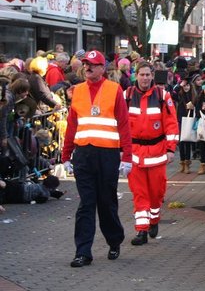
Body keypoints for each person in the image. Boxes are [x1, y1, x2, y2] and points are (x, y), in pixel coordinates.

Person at [61, 50, 132, 267]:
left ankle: (114, 240)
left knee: (106, 202)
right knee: (86, 204)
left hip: (107, 155)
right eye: (85, 64)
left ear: (102, 68)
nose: (87, 67)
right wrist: (66, 155)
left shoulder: (114, 89)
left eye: (92, 64)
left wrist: (127, 156)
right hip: (84, 155)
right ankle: (83, 252)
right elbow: (72, 124)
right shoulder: (78, 91)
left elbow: (124, 124)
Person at [125, 62, 179, 245]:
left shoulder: (163, 96)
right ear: (136, 75)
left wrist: (171, 149)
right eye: (142, 74)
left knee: (156, 193)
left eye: (148, 74)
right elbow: (120, 124)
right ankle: (141, 230)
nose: (145, 78)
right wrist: (121, 150)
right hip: (135, 153)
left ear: (152, 76)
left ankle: (154, 219)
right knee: (139, 193)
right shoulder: (127, 96)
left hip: (157, 152)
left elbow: (171, 124)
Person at [174, 77, 195, 173]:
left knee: (187, 142)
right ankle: (182, 162)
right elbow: (173, 93)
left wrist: (193, 106)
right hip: (180, 119)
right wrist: (180, 85)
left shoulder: (193, 95)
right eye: (184, 85)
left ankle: (187, 163)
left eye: (187, 85)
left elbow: (196, 104)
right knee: (181, 142)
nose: (186, 87)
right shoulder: (179, 94)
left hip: (189, 119)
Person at [1, 78, 30, 149]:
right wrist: (4, 137)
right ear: (20, 90)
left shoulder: (10, 96)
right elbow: (2, 118)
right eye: (25, 91)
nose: (27, 93)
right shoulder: (8, 99)